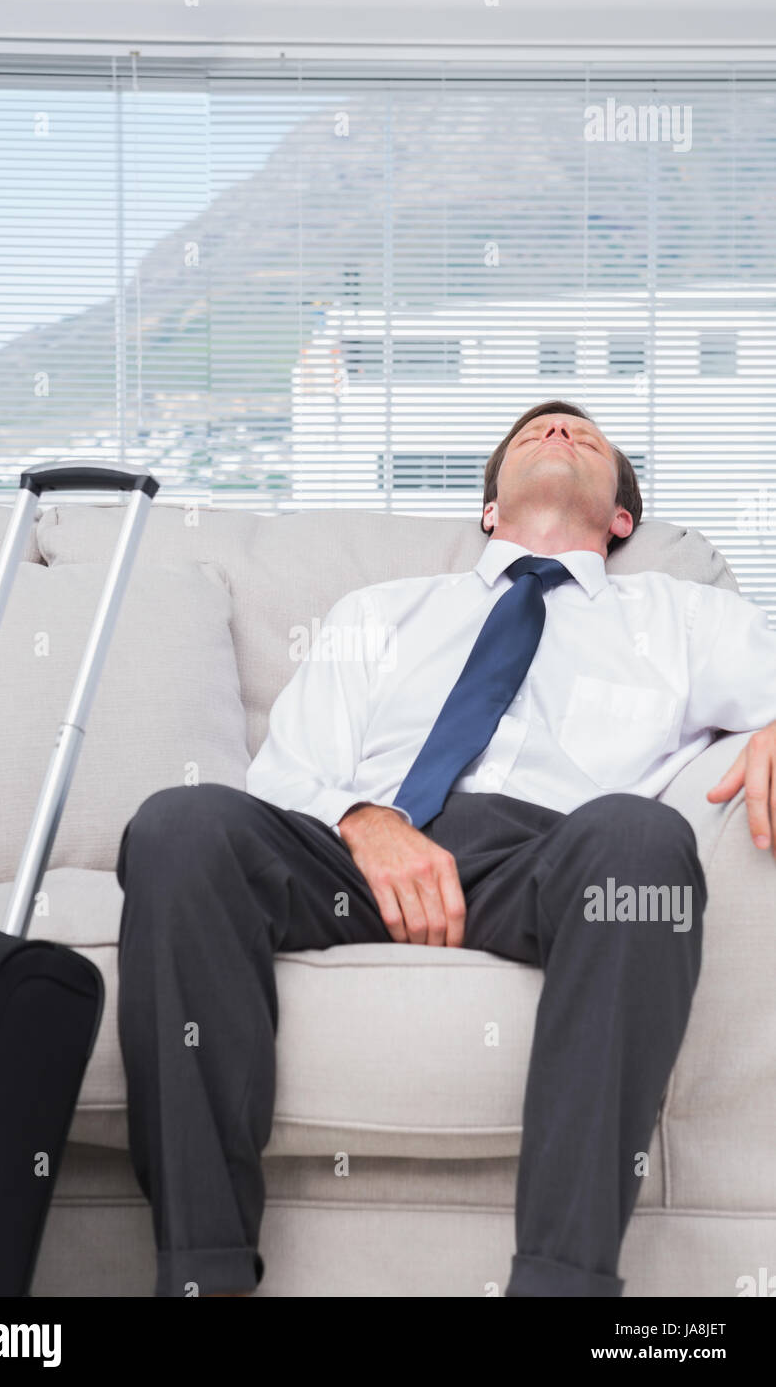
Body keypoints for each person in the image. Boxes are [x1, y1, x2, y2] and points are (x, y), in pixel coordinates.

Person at [116, 398, 776, 1298]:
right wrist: (368, 824)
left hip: (550, 862)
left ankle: (560, 1288)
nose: (558, 431)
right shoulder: (379, 611)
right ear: (488, 509)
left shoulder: (683, 616)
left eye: (585, 436)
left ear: (622, 519)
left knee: (644, 840)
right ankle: (205, 1276)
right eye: (534, 431)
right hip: (356, 855)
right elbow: (289, 773)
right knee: (180, 827)